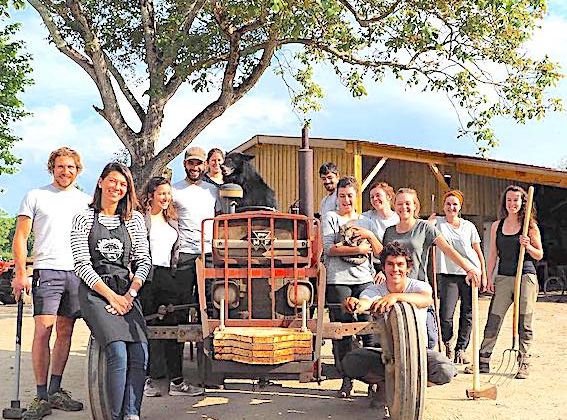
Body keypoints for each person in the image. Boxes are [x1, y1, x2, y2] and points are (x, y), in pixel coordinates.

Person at [11, 147, 90, 420]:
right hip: (47, 270)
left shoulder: (86, 201)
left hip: (77, 272)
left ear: (77, 170)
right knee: (43, 332)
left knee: (65, 331)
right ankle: (41, 395)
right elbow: (21, 237)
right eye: (60, 167)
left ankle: (56, 390)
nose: (65, 171)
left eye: (70, 167)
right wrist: (21, 273)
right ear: (51, 168)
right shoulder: (35, 196)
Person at [70, 162, 152, 420]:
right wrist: (111, 297)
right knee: (117, 351)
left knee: (140, 352)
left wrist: (129, 295)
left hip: (127, 292)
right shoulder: (83, 218)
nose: (117, 187)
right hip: (96, 292)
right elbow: (81, 265)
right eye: (113, 181)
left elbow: (143, 260)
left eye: (123, 184)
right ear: (101, 182)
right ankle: (114, 416)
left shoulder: (134, 219)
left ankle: (132, 415)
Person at [342, 242, 457, 409]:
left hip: (417, 353)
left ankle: (413, 386)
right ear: (383, 267)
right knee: (351, 362)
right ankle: (384, 384)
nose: (395, 269)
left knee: (445, 369)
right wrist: (355, 303)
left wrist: (396, 297)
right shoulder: (375, 290)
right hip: (386, 355)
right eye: (390, 264)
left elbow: (426, 299)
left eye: (400, 264)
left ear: (408, 267)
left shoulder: (419, 286)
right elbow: (366, 303)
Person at [382, 188, 481, 349]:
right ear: (394, 206)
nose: (404, 207)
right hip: (395, 289)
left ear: (415, 206)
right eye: (399, 203)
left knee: (429, 340)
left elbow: (448, 249)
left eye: (408, 203)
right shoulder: (389, 232)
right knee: (398, 338)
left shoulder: (424, 228)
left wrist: (469, 268)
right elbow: (385, 258)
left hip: (418, 288)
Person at [140, 177, 204, 397]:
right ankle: (148, 380)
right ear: (151, 195)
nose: (166, 198)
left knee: (174, 328)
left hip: (168, 275)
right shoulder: (141, 219)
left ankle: (177, 382)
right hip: (146, 276)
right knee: (148, 329)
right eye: (161, 194)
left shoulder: (172, 221)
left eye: (168, 194)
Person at [322, 176, 383, 398]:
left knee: (369, 330)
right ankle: (346, 379)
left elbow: (377, 250)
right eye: (342, 196)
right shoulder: (330, 218)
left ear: (356, 197)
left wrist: (367, 239)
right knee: (343, 332)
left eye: (349, 195)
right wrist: (358, 250)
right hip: (339, 280)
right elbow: (329, 249)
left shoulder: (366, 221)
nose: (346, 200)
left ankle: (372, 381)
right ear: (336, 197)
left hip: (364, 279)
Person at [474, 185, 543, 379]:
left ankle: (523, 361)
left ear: (523, 203)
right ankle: (484, 358)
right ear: (505, 203)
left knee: (524, 321)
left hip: (526, 277)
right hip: (504, 277)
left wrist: (528, 245)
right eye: (509, 200)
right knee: (494, 318)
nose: (512, 204)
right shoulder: (497, 225)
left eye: (516, 200)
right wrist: (488, 277)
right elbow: (493, 255)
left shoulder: (530, 226)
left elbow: (539, 254)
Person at [172, 146, 220, 365]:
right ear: (184, 164)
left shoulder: (214, 191)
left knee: (212, 305)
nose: (195, 167)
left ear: (204, 165)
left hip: (209, 253)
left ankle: (210, 364)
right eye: (191, 163)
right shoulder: (175, 190)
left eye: (198, 163)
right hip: (184, 254)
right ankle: (177, 369)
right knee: (180, 305)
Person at [429, 190, 487, 364]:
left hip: (471, 272)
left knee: (467, 312)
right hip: (448, 273)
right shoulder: (437, 223)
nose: (451, 207)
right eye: (448, 204)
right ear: (443, 206)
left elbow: (477, 251)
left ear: (460, 207)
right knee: (446, 313)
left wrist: (483, 274)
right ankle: (447, 342)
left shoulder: (468, 226)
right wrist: (429, 221)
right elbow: (420, 227)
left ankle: (461, 349)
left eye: (455, 204)